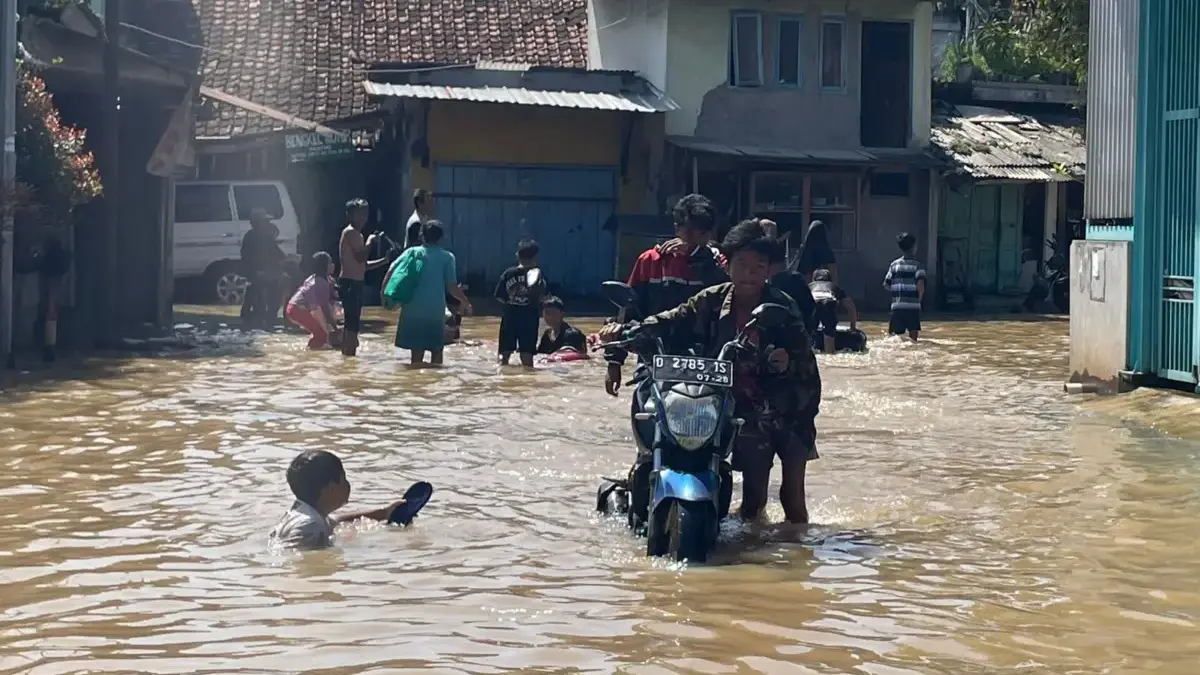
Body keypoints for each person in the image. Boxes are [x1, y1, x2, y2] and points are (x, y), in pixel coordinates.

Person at [599, 220, 821, 524]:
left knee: (791, 495)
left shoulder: (783, 306)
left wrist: (786, 361)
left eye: (758, 267)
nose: (749, 274)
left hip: (790, 406)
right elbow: (671, 319)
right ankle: (752, 553)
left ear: (769, 270)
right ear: (728, 265)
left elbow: (803, 356)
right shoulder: (711, 299)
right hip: (740, 408)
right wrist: (624, 331)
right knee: (753, 500)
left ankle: (795, 558)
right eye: (741, 265)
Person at [605, 193, 727, 396]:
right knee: (645, 407)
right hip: (656, 356)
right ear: (677, 229)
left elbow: (731, 297)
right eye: (691, 232)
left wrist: (698, 259)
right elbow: (628, 312)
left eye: (704, 234)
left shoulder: (718, 262)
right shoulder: (651, 261)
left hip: (707, 360)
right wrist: (614, 361)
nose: (697, 240)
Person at [269, 450, 413, 550]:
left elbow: (337, 520)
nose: (348, 485)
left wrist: (385, 513)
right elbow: (300, 559)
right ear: (331, 488)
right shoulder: (311, 525)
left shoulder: (304, 513)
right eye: (344, 479)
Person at [395, 220, 473, 365]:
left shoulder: (411, 253)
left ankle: (415, 385)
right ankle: (436, 387)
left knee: (416, 357)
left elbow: (393, 272)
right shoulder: (447, 257)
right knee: (437, 354)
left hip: (412, 310)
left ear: (422, 236)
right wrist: (465, 302)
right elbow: (452, 287)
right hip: (435, 313)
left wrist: (384, 294)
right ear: (441, 238)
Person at [338, 199, 388, 357]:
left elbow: (362, 265)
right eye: (359, 214)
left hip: (354, 282)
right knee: (352, 326)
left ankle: (347, 359)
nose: (362, 218)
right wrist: (371, 241)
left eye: (364, 214)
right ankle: (349, 357)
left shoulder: (355, 234)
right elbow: (361, 257)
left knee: (351, 324)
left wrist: (384, 261)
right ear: (350, 215)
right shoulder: (352, 232)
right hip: (350, 284)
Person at [495, 239, 546, 366]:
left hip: (510, 318)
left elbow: (499, 296)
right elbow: (543, 297)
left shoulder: (508, 273)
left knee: (504, 355)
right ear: (535, 256)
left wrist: (510, 305)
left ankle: (501, 378)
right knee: (527, 355)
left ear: (517, 255)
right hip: (530, 319)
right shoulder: (538, 274)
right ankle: (528, 380)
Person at [240, 209, 286, 329]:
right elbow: (249, 258)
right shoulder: (254, 237)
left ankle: (268, 315)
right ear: (257, 223)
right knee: (277, 286)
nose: (268, 224)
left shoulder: (263, 236)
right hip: (259, 273)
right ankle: (269, 316)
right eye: (265, 221)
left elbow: (278, 254)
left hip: (264, 273)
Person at [286, 252, 339, 350]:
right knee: (322, 335)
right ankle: (310, 354)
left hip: (294, 307)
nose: (333, 265)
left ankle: (312, 350)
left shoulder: (317, 278)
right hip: (297, 310)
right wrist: (335, 328)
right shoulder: (320, 283)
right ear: (324, 266)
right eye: (330, 263)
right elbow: (325, 308)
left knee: (319, 332)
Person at [883, 232, 927, 342]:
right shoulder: (918, 265)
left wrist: (898, 295)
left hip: (897, 307)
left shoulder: (894, 265)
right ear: (913, 247)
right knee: (913, 339)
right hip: (913, 307)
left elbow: (886, 284)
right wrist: (919, 301)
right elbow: (920, 285)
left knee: (895, 338)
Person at [809, 268, 858, 354]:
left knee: (809, 332)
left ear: (814, 279)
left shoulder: (809, 286)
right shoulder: (834, 286)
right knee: (829, 330)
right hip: (828, 303)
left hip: (813, 303)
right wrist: (853, 328)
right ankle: (829, 351)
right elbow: (851, 307)